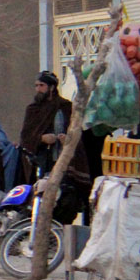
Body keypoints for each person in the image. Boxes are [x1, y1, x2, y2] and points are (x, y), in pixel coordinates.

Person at [17, 71, 91, 222]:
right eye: (36, 85)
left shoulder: (65, 107)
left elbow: (76, 134)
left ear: (51, 87)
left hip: (64, 164)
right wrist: (41, 139)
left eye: (41, 85)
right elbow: (26, 138)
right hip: (42, 164)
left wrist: (67, 141)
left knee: (65, 201)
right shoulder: (33, 110)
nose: (38, 89)